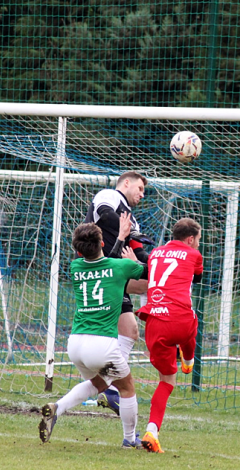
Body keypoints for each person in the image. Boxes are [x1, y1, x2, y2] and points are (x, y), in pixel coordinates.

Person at [38, 221, 146, 448]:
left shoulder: (75, 267)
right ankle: (129, 439)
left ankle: (58, 407)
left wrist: (118, 242)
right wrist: (134, 258)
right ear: (102, 243)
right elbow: (144, 271)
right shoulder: (121, 267)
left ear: (79, 250)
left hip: (76, 344)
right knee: (127, 388)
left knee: (99, 383)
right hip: (102, 345)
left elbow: (104, 263)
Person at [82, 171, 153, 414]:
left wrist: (162, 263)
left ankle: (108, 389)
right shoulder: (110, 195)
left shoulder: (131, 219)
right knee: (109, 332)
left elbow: (140, 253)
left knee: (130, 330)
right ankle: (107, 387)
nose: (142, 195)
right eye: (140, 189)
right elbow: (106, 216)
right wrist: (126, 232)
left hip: (113, 274)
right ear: (126, 183)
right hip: (97, 272)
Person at [135, 218, 204, 453]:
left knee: (166, 381)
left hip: (154, 322)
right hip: (180, 319)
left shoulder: (155, 253)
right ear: (191, 239)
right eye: (198, 240)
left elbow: (148, 264)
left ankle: (151, 432)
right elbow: (197, 278)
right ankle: (188, 359)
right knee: (192, 319)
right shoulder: (194, 254)